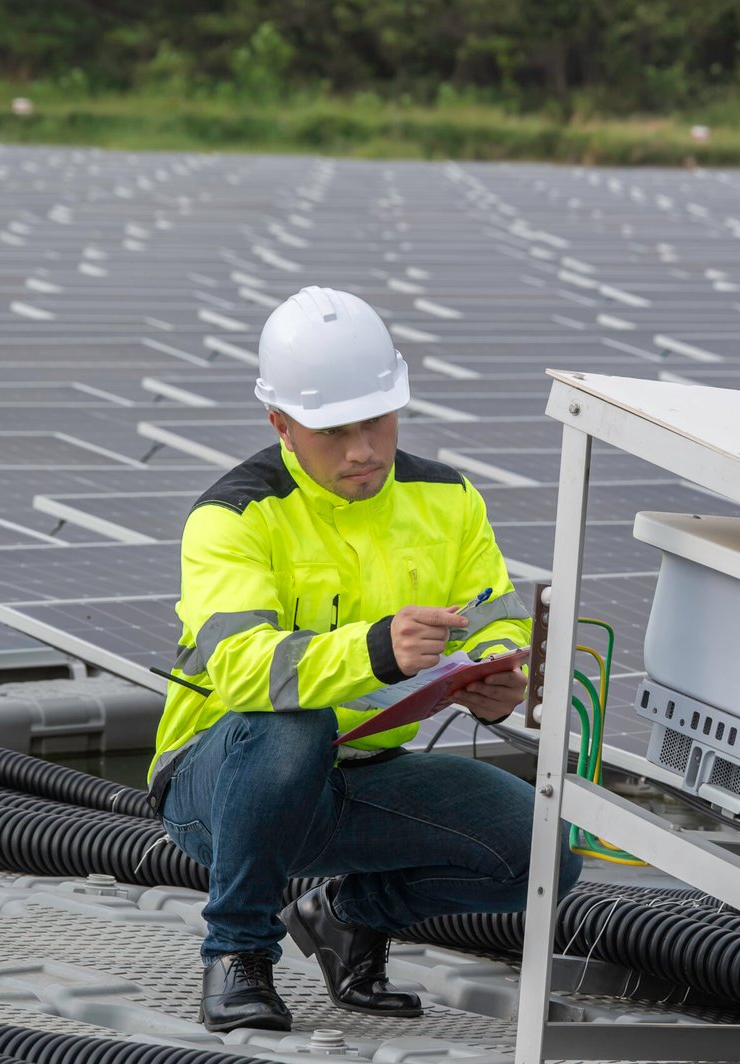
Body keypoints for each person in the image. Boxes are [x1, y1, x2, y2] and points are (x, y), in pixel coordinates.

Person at [146, 285, 581, 1033]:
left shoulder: (448, 500)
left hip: (362, 777)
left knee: (541, 855)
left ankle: (347, 920)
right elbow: (245, 671)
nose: (364, 450)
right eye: (332, 430)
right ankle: (237, 953)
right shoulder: (232, 517)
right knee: (293, 723)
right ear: (280, 422)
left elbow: (494, 621)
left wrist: (498, 680)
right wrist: (378, 650)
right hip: (224, 782)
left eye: (377, 419)